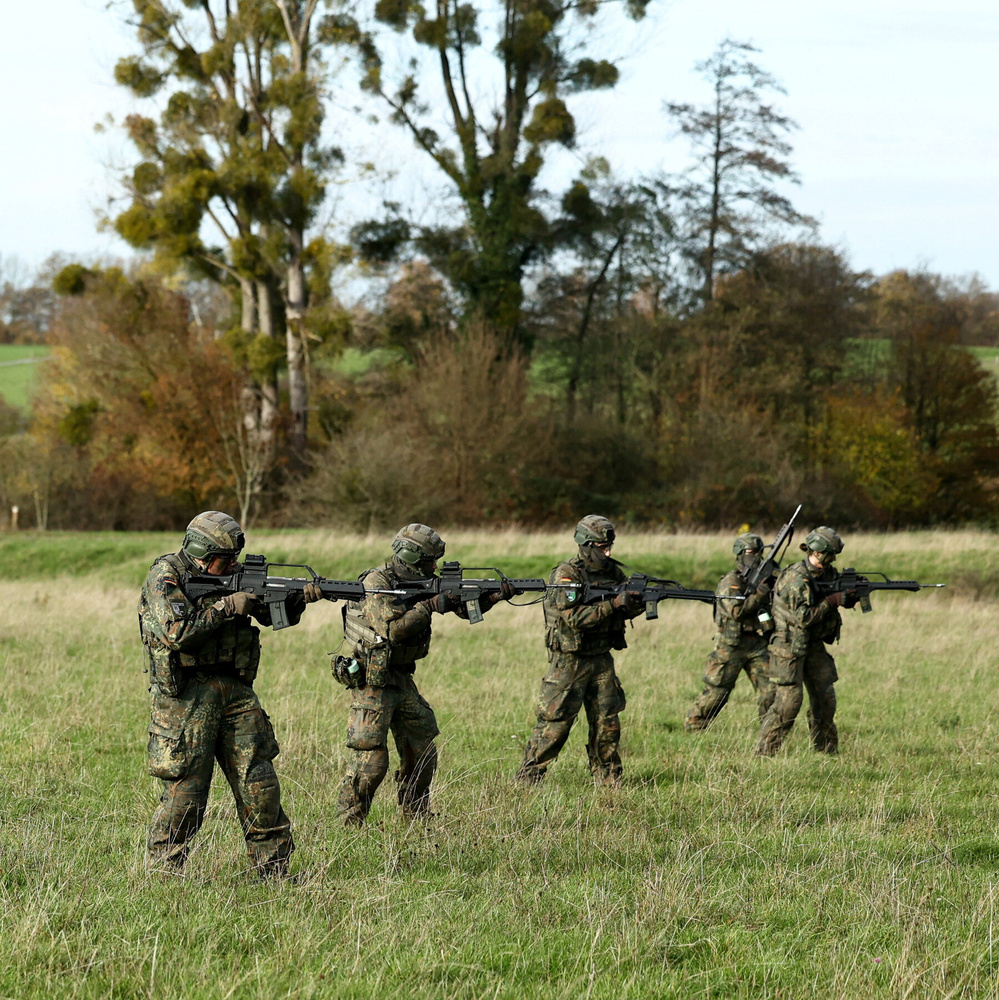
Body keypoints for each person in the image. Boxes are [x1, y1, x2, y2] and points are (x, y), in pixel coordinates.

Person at [138, 511, 321, 876]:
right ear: (202, 554)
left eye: (235, 557)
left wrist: (296, 599)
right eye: (225, 559)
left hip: (235, 691)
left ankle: (273, 870)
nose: (233, 564)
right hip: (187, 698)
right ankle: (165, 872)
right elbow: (178, 633)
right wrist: (226, 606)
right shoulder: (166, 576)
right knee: (186, 792)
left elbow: (270, 616)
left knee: (260, 784)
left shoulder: (235, 576)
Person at [334, 523, 511, 826]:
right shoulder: (378, 583)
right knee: (371, 760)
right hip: (373, 680)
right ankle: (349, 822)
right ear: (411, 558)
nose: (435, 567)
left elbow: (463, 609)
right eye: (430, 561)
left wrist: (492, 598)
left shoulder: (424, 581)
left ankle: (415, 815)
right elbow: (392, 630)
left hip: (402, 678)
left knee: (422, 746)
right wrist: (428, 606)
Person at [515, 515, 645, 788]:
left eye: (609, 547)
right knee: (556, 724)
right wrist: (613, 605)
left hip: (601, 658)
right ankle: (527, 779)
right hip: (570, 661)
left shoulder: (613, 573)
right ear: (586, 546)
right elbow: (574, 618)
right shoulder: (567, 574)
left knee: (607, 723)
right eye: (601, 547)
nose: (607, 553)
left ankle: (609, 780)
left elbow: (624, 609)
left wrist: (635, 602)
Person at [756, 525, 855, 756]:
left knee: (825, 697)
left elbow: (833, 595)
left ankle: (826, 753)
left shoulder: (827, 574)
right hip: (788, 646)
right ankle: (765, 754)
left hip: (812, 644)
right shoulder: (796, 578)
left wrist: (848, 597)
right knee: (789, 703)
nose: (833, 559)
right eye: (830, 554)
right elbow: (804, 617)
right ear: (818, 552)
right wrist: (833, 601)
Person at [684, 533, 776, 732]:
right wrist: (759, 594)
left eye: (759, 552)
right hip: (731, 644)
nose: (756, 557)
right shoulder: (731, 581)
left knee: (771, 689)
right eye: (751, 552)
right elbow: (736, 612)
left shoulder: (762, 579)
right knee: (718, 691)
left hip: (757, 643)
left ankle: (770, 732)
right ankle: (695, 726)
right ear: (740, 554)